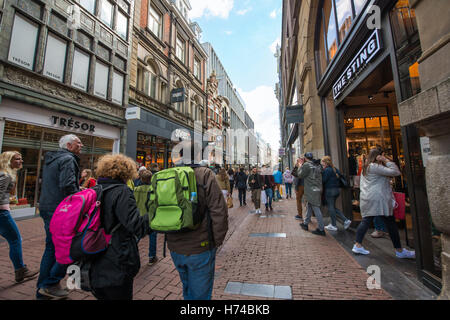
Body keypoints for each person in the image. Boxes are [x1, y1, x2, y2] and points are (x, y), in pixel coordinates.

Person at [168, 141, 228, 300]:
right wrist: (217, 240)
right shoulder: (205, 174)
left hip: (175, 246)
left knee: (187, 288)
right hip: (200, 246)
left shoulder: (169, 174)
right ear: (198, 155)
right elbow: (218, 210)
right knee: (200, 295)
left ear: (180, 155)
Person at [88, 154, 150, 300]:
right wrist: (154, 214)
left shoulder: (95, 190)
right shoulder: (122, 192)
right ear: (126, 172)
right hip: (117, 258)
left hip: (94, 255)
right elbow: (137, 226)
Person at [37, 134, 82, 299]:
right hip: (60, 210)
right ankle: (50, 283)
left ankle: (43, 290)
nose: (81, 145)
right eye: (78, 142)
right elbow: (67, 185)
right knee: (69, 247)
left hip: (46, 206)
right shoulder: (68, 159)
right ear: (69, 145)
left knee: (51, 248)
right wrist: (81, 197)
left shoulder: (52, 158)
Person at [352, 148, 415, 259]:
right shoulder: (374, 167)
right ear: (378, 156)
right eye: (382, 155)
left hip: (369, 198)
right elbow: (396, 172)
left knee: (367, 220)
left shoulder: (366, 167)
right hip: (378, 199)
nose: (384, 157)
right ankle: (399, 250)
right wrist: (385, 160)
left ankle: (358, 244)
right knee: (389, 223)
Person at [0, 151, 39, 283]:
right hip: (2, 214)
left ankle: (20, 270)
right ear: (8, 160)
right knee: (16, 240)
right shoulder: (5, 175)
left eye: (21, 158)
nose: (21, 161)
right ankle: (21, 270)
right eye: (17, 159)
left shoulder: (6, 173)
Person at [294, 153, 326, 236]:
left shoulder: (307, 165)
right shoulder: (317, 165)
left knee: (316, 208)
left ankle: (321, 229)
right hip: (318, 188)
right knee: (309, 206)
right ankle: (305, 223)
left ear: (305, 158)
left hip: (311, 190)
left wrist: (300, 165)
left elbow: (300, 175)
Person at [134, 170, 158, 265]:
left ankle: (131, 254)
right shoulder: (153, 189)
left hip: (139, 216)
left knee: (137, 236)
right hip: (150, 216)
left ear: (141, 178)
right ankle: (152, 257)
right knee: (152, 236)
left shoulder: (136, 189)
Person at [321, 156, 352, 231]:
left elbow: (323, 180)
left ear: (325, 162)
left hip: (330, 190)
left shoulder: (327, 170)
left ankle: (337, 224)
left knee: (331, 208)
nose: (322, 164)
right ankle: (337, 222)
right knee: (333, 207)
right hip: (336, 190)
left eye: (322, 163)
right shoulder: (334, 169)